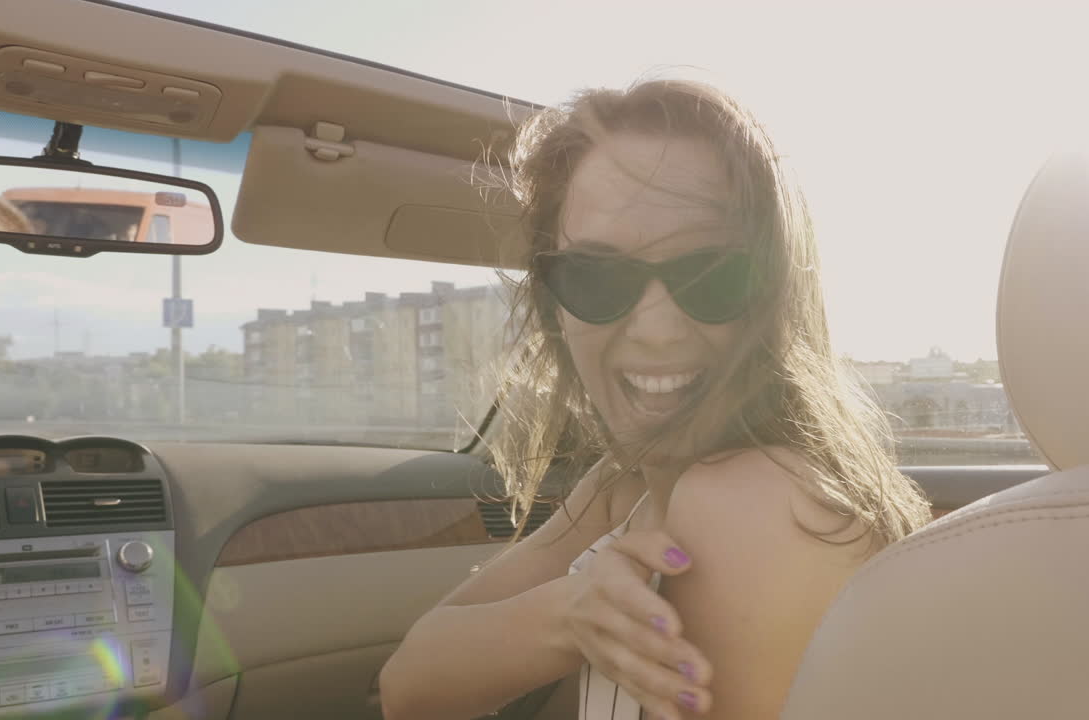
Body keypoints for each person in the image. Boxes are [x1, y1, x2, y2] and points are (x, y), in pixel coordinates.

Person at [379, 79, 932, 720]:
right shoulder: (621, 487)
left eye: (711, 273)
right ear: (555, 306)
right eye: (597, 276)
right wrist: (571, 614)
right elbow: (408, 683)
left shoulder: (759, 504)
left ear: (777, 291)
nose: (656, 328)